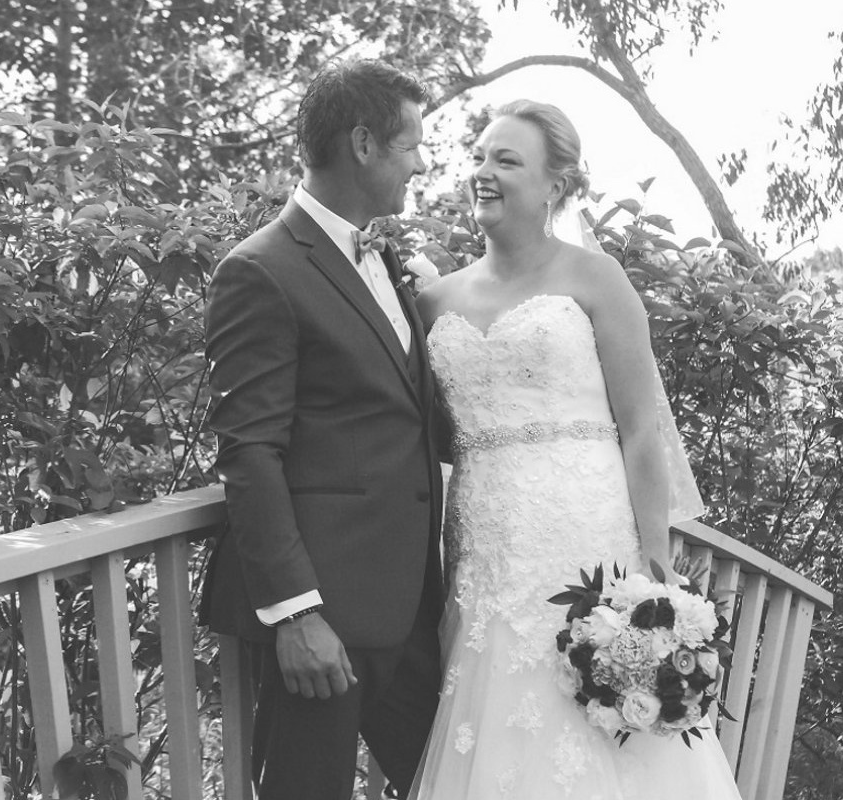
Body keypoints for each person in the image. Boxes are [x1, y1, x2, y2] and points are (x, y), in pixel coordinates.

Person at [409, 100, 742, 799]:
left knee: (602, 730)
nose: (483, 173)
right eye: (479, 157)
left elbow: (643, 432)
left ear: (556, 185)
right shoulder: (433, 302)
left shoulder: (597, 280)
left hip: (591, 547)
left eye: (506, 160)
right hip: (486, 556)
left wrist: (657, 582)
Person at [201, 59, 444, 800]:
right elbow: (249, 450)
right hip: (324, 629)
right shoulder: (262, 269)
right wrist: (297, 615)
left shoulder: (391, 261)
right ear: (364, 144)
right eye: (412, 146)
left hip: (409, 613)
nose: (420, 164)